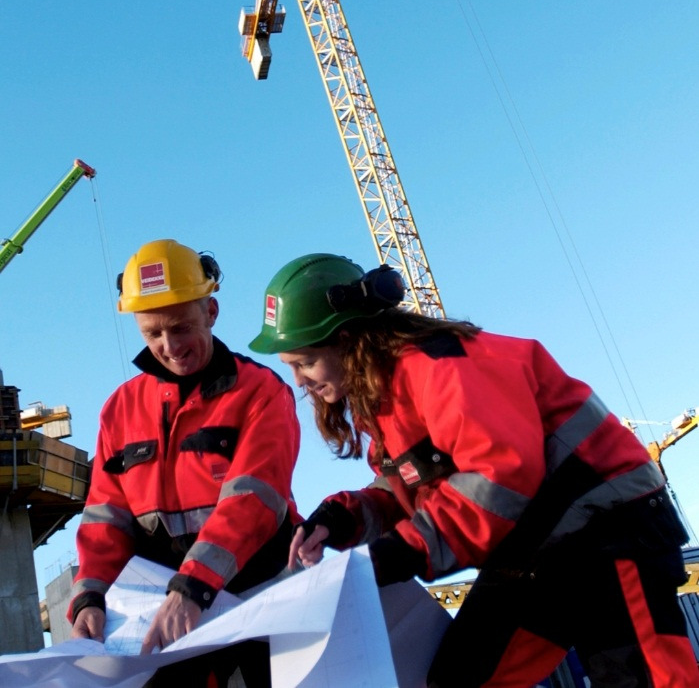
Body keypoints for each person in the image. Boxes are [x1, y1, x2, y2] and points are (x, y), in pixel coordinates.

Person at [249, 252, 699, 688]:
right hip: (537, 547)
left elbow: (498, 477)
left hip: (608, 533)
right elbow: (402, 488)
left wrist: (397, 554)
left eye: (305, 362)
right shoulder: (387, 401)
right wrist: (341, 519)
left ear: (349, 340)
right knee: (459, 679)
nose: (300, 382)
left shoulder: (442, 367)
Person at [69, 239, 302, 688]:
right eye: (152, 334)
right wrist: (89, 597)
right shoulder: (119, 409)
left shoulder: (261, 391)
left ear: (211, 313)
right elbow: (105, 518)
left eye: (180, 328)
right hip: (172, 609)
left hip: (261, 601)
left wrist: (193, 586)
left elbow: (253, 502)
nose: (170, 346)